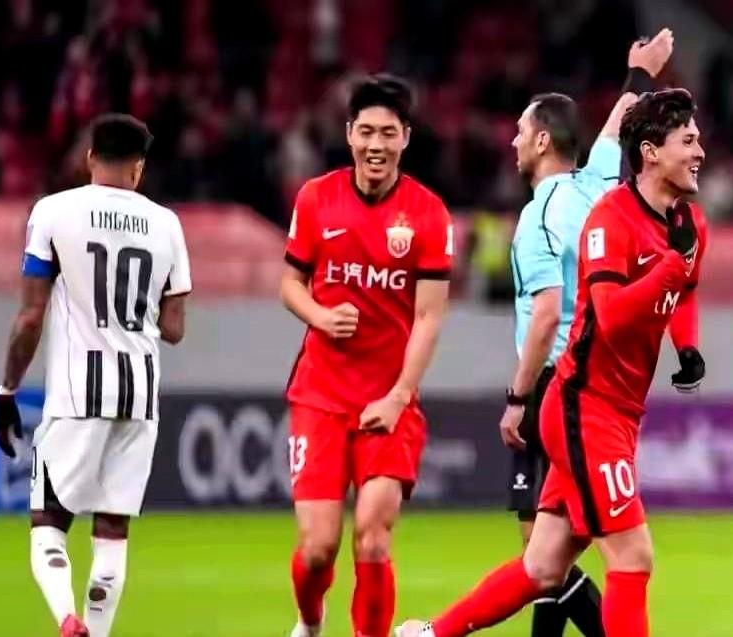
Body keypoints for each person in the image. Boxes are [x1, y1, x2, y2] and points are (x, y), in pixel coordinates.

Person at [396, 87, 708, 637]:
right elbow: (612, 315)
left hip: (619, 412)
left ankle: (429, 634)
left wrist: (687, 346)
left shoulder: (688, 224)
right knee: (632, 555)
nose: (700, 151)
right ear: (652, 152)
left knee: (542, 566)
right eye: (688, 140)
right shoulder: (610, 220)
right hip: (583, 406)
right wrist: (668, 266)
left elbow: (683, 291)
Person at [500, 30, 674, 637]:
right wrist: (640, 76)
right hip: (600, 379)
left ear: (541, 140)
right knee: (551, 551)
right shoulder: (598, 186)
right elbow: (617, 127)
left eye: (521, 131)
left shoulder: (537, 218)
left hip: (557, 382)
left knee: (543, 555)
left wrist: (518, 396)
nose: (513, 141)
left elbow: (546, 313)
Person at [0, 113, 191, 637]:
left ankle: (66, 619)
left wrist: (8, 389)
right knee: (112, 530)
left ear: (88, 158)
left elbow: (30, 317)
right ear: (139, 168)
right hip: (140, 395)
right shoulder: (167, 224)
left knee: (49, 524)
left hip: (78, 393)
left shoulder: (54, 212)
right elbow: (174, 329)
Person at [280, 74, 453, 637]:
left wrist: (399, 395)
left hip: (388, 400)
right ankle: (310, 622)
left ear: (406, 138)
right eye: (367, 132)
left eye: (389, 133)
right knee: (318, 547)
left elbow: (428, 317)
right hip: (320, 395)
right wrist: (319, 316)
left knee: (373, 537)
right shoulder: (316, 198)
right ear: (350, 133)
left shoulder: (428, 214)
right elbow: (290, 284)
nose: (376, 144)